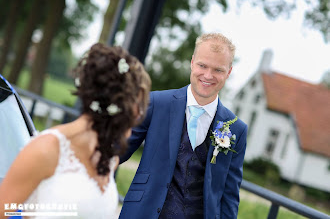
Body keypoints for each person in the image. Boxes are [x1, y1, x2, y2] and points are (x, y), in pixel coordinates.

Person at [0, 43, 151, 219]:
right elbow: (5, 210)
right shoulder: (46, 148)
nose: (140, 115)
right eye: (137, 106)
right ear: (118, 105)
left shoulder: (109, 160)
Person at [119, 33, 248, 219]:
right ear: (192, 62)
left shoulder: (237, 129)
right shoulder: (156, 103)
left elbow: (229, 197)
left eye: (218, 70)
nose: (208, 75)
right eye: (202, 66)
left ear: (228, 72)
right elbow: (117, 151)